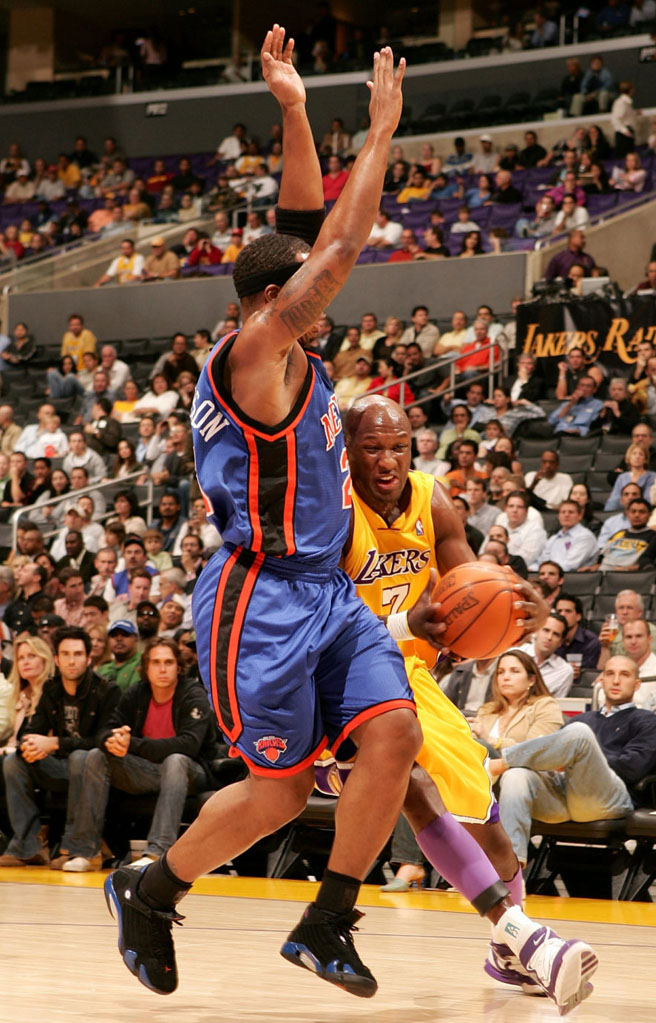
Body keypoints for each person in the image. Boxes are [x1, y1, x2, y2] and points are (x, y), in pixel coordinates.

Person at [104, 32, 424, 1001]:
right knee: (279, 790)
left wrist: (291, 110)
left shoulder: (272, 337)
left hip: (327, 592)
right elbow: (337, 242)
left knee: (394, 734)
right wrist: (378, 132)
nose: (325, 303)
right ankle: (152, 890)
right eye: (304, 295)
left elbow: (299, 223)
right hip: (260, 603)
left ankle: (327, 922)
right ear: (267, 304)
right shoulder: (252, 360)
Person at [342, 393, 596, 1008]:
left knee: (478, 806)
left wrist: (521, 606)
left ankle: (511, 947)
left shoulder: (433, 500)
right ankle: (523, 942)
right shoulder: (330, 507)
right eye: (372, 447)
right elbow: (320, 616)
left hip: (410, 673)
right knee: (419, 793)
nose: (387, 460)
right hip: (343, 668)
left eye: (398, 446)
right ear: (346, 449)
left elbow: (473, 591)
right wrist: (406, 621)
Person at [59, 637, 219, 872]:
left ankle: (157, 852)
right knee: (95, 756)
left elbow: (189, 746)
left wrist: (131, 744)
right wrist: (113, 741)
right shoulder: (137, 693)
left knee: (175, 761)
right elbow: (106, 728)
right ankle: (87, 851)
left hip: (192, 772)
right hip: (146, 772)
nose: (162, 669)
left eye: (168, 662)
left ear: (178, 666)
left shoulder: (193, 693)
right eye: (155, 662)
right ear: (146, 667)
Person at [491, 652, 656, 863]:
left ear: (637, 684)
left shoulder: (647, 721)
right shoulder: (583, 718)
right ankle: (509, 868)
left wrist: (584, 757)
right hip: (565, 796)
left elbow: (632, 768)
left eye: (624, 674)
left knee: (579, 734)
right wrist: (572, 758)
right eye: (610, 673)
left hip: (609, 798)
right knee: (516, 775)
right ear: (601, 679)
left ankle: (500, 763)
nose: (616, 680)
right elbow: (556, 758)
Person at [0, 627, 120, 870]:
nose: (71, 660)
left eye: (77, 654)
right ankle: (28, 847)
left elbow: (102, 741)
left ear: (88, 658)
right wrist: (30, 746)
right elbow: (34, 729)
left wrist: (54, 743)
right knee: (14, 761)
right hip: (60, 766)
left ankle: (78, 847)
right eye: (65, 654)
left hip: (97, 770)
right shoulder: (52, 689)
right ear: (56, 659)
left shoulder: (107, 690)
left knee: (80, 757)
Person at [471, 650, 564, 754]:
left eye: (514, 671)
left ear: (531, 680)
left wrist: (492, 741)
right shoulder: (487, 710)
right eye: (500, 672)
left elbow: (534, 751)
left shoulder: (546, 706)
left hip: (523, 769)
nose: (505, 677)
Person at [518, 611, 575, 697]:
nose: (549, 637)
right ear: (536, 632)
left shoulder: (565, 671)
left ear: (560, 642)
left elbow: (557, 706)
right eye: (546, 630)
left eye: (556, 634)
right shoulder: (515, 653)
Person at [536, 500, 599, 572]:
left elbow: (569, 565)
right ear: (559, 516)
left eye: (571, 512)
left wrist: (543, 571)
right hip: (548, 576)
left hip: (572, 580)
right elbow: (541, 561)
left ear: (580, 515)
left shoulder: (586, 537)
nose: (566, 515)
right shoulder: (553, 538)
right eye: (563, 512)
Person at [554, 594, 602, 672]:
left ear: (578, 617)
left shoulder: (591, 641)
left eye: (568, 611)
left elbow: (589, 673)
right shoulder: (551, 638)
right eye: (559, 611)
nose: (562, 614)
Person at [97, 619, 142, 692]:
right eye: (114, 635)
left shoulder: (143, 663)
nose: (119, 639)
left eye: (125, 634)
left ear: (136, 638)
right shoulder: (103, 668)